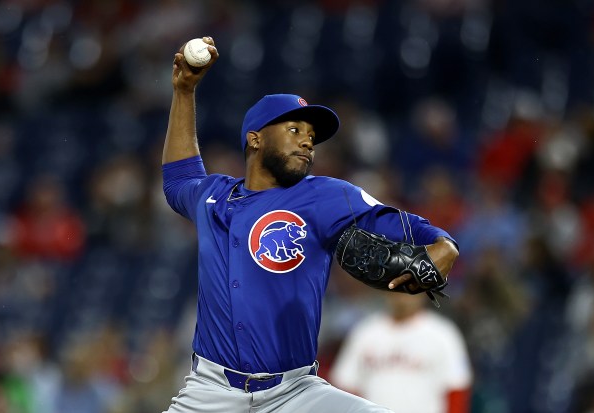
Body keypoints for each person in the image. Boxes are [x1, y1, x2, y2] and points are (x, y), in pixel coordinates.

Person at [161, 36, 459, 413]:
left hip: (295, 393)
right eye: (294, 130)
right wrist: (184, 91)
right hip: (210, 392)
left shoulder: (325, 196)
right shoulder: (213, 197)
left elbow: (401, 223)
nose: (308, 143)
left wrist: (444, 244)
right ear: (255, 139)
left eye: (312, 136)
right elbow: (177, 180)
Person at [329, 293, 473, 413]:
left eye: (411, 285)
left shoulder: (443, 333)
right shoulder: (365, 332)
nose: (403, 294)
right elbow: (345, 388)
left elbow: (457, 390)